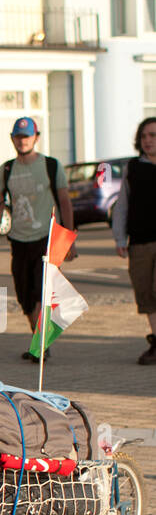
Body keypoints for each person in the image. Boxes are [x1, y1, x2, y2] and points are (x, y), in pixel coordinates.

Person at [0, 117, 74, 357]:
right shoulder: (6, 170)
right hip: (19, 240)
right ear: (12, 139)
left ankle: (41, 347)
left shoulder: (50, 166)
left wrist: (69, 238)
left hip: (45, 239)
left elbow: (64, 202)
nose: (22, 141)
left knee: (38, 293)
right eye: (18, 137)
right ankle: (39, 343)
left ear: (36, 137)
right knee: (24, 296)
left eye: (26, 137)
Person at [111, 117, 156, 365]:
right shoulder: (134, 168)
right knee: (146, 294)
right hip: (139, 242)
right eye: (144, 136)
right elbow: (122, 205)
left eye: (153, 135)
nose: (148, 140)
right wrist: (120, 236)